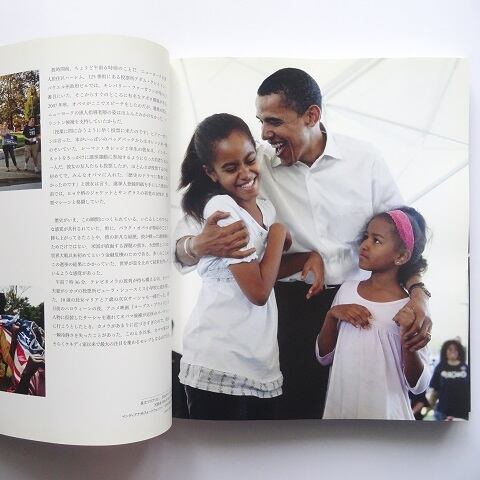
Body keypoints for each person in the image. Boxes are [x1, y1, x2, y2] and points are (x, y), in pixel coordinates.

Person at [174, 68, 433, 419]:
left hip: (358, 310)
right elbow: (182, 241)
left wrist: (418, 294)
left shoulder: (366, 161)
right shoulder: (253, 167)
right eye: (261, 121)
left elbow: (404, 240)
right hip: (287, 312)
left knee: (357, 416)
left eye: (274, 121)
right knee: (293, 420)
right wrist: (197, 244)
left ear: (311, 116)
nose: (264, 133)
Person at [177, 113, 294, 420]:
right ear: (211, 173)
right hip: (221, 358)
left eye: (250, 160)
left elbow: (264, 271)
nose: (245, 173)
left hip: (256, 358)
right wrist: (278, 233)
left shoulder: (265, 208)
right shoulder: (222, 209)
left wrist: (307, 258)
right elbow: (258, 291)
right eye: (230, 168)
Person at [316, 207, 431, 419]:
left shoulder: (410, 308)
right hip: (342, 415)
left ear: (401, 256)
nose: (365, 245)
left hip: (388, 419)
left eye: (376, 240)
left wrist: (408, 341)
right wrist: (332, 315)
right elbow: (323, 357)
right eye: (366, 237)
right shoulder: (346, 291)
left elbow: (419, 385)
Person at [428, 339, 470, 420]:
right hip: (443, 413)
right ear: (445, 351)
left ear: (459, 352)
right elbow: (435, 391)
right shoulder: (440, 367)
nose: (453, 351)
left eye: (456, 349)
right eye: (450, 349)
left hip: (463, 413)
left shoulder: (466, 367)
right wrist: (430, 406)